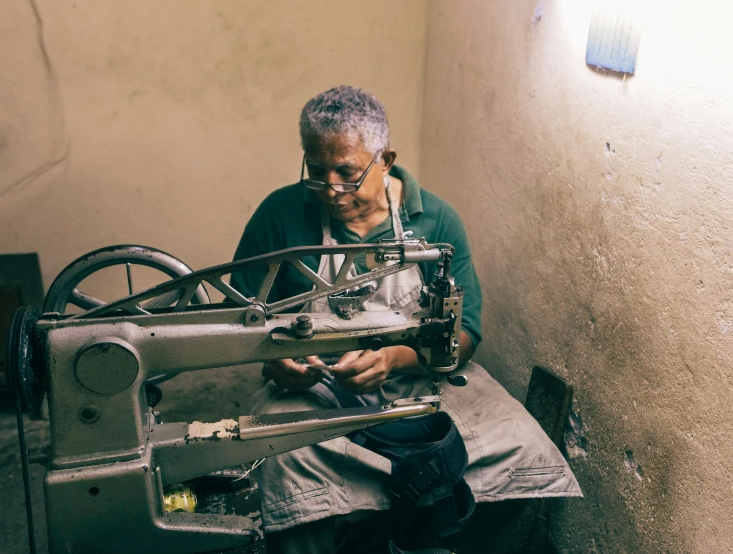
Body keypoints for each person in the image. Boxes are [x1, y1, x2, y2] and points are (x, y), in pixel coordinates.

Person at [231, 85, 581, 554]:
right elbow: (240, 315)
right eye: (317, 172)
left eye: (348, 172)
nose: (331, 189)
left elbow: (466, 332)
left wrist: (396, 358)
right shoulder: (281, 214)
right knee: (284, 462)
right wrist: (276, 358)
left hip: (422, 374)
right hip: (313, 385)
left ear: (386, 159)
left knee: (518, 447)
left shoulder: (435, 220)